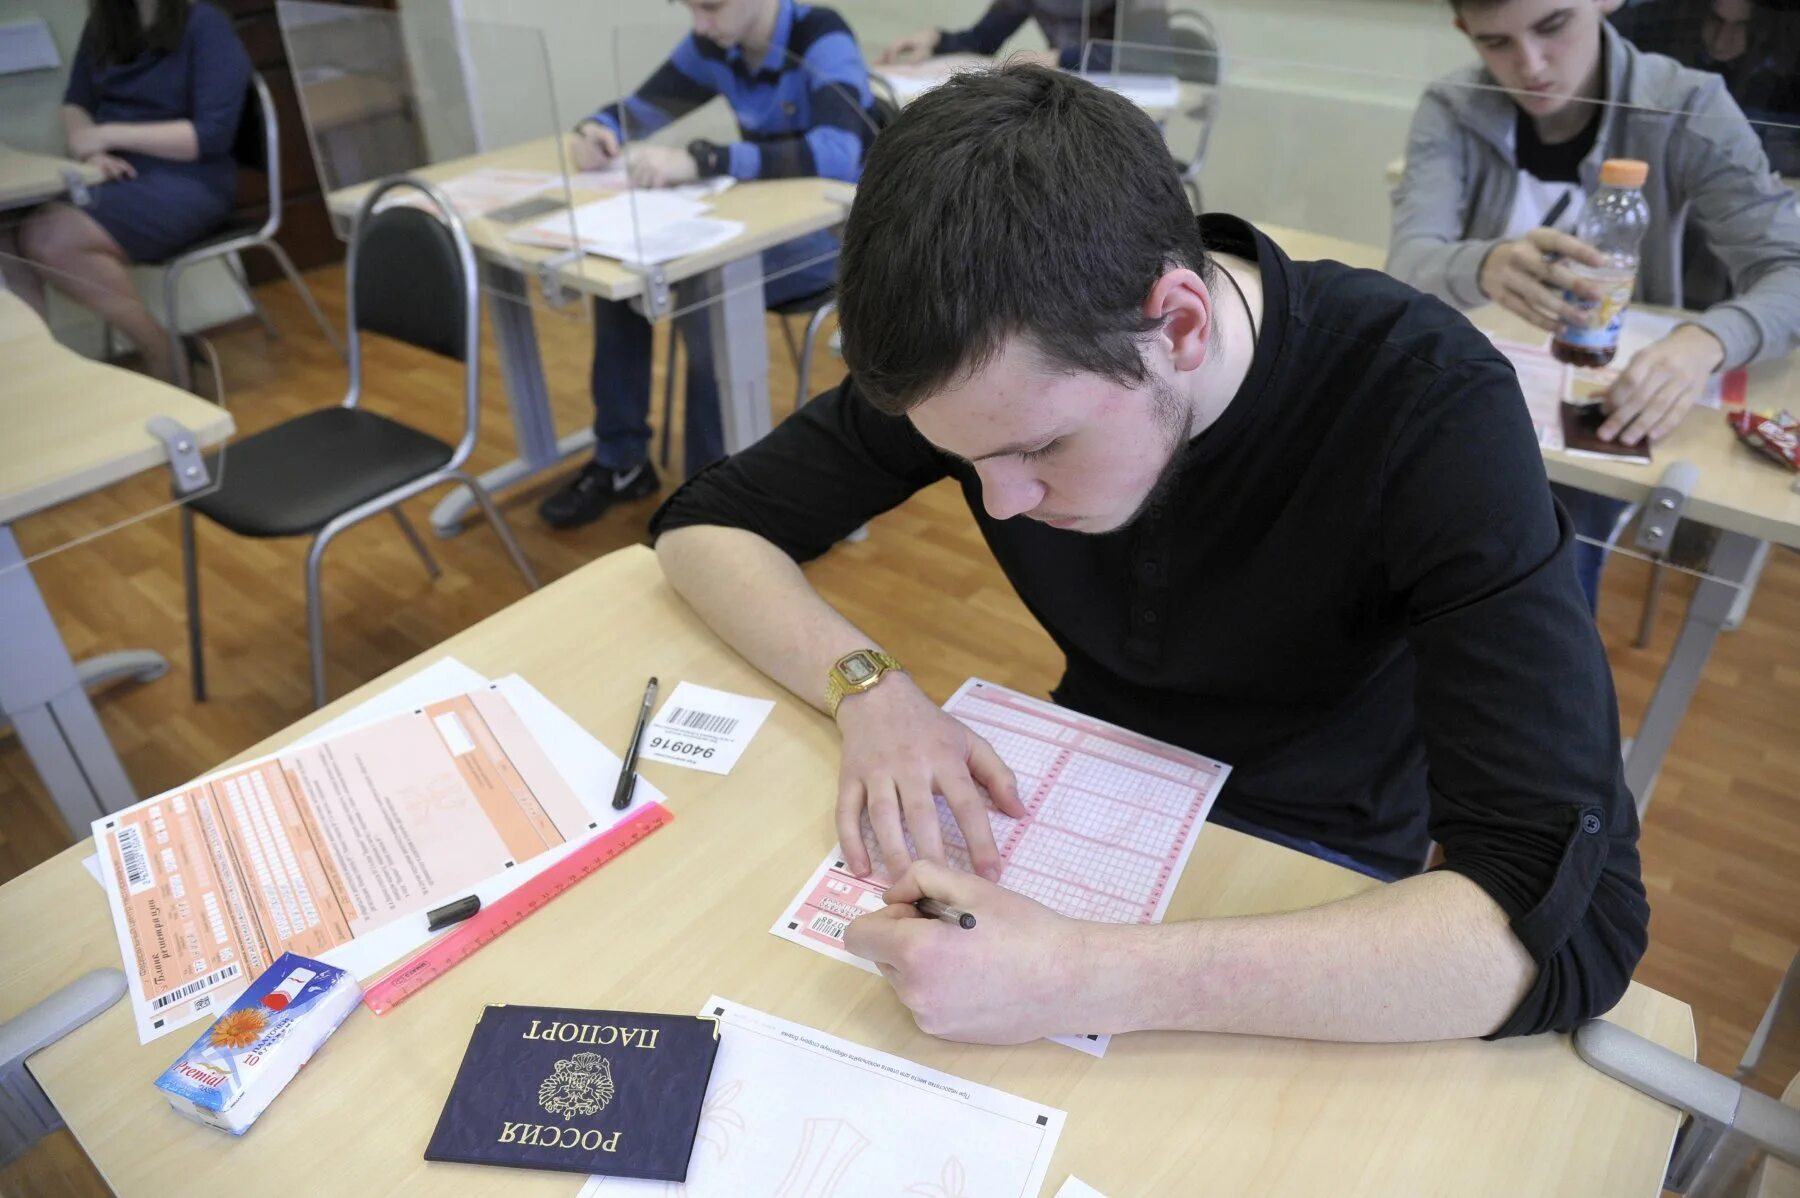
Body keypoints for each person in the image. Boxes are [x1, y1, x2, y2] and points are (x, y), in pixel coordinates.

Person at [652, 65, 1649, 1046]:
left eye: (1041, 450)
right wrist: (868, 685)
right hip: (1092, 788)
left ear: (1177, 324)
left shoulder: (1429, 406)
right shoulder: (992, 369)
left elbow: (1568, 930)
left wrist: (1082, 977)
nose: (1001, 501)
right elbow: (703, 526)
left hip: (1323, 855)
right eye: (965, 460)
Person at [1388, 0, 1800, 610]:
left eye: (1553, 26)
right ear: (1464, 32)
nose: (1530, 66)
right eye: (1496, 43)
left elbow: (1788, 268)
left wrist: (1703, 343)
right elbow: (1409, 263)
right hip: (1485, 386)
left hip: (1604, 397)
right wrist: (1481, 264)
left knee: (1549, 536)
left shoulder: (1686, 105)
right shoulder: (1454, 105)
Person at [537, 0, 877, 531]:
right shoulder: (717, 41)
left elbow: (839, 150)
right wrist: (596, 130)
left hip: (837, 239)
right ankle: (621, 461)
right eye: (690, 7)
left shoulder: (819, 34)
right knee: (627, 267)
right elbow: (644, 108)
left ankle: (707, 494)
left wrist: (706, 160)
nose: (698, 23)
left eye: (710, 6)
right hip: (763, 226)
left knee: (703, 288)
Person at [0, 0, 250, 382]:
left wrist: (107, 134)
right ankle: (41, 374)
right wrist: (94, 150)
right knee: (8, 227)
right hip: (115, 174)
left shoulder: (205, 25)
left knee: (51, 238)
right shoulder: (105, 24)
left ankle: (162, 351)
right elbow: (75, 104)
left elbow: (209, 137)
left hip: (189, 179)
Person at [1610, 0, 1800, 173]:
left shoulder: (1783, 86)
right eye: (1715, 20)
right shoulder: (1656, 52)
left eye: (1741, 26)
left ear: (1762, 30)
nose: (1721, 38)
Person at [879, 0, 1169, 71]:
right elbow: (983, 40)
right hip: (1072, 99)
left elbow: (1150, 56)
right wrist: (935, 39)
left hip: (1132, 110)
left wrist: (1055, 57)